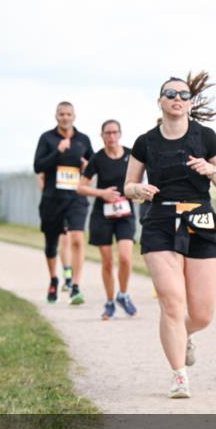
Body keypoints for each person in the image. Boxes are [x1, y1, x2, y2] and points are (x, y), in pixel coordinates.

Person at [125, 72, 216, 399]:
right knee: (172, 302)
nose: (177, 98)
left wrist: (211, 170)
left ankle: (182, 335)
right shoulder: (146, 141)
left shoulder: (206, 137)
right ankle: (179, 375)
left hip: (201, 218)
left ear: (190, 102)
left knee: (201, 313)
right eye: (170, 94)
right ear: (160, 101)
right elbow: (127, 187)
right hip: (160, 219)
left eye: (183, 95)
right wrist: (139, 190)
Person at [33, 102, 93, 304]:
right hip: (53, 198)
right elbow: (38, 166)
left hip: (76, 197)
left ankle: (75, 286)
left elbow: (93, 167)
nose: (65, 117)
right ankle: (54, 279)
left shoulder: (83, 140)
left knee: (77, 238)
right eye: (61, 114)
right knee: (52, 244)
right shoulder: (47, 138)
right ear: (56, 116)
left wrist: (87, 167)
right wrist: (57, 152)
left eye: (68, 114)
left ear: (74, 116)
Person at [78, 119, 138, 320]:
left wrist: (137, 193)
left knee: (125, 258)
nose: (111, 137)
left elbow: (140, 179)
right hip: (102, 215)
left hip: (125, 214)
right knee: (107, 262)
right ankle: (110, 301)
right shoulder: (97, 158)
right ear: (102, 136)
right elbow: (81, 187)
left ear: (120, 134)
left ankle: (123, 294)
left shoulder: (131, 155)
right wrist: (102, 193)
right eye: (107, 133)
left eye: (114, 132)